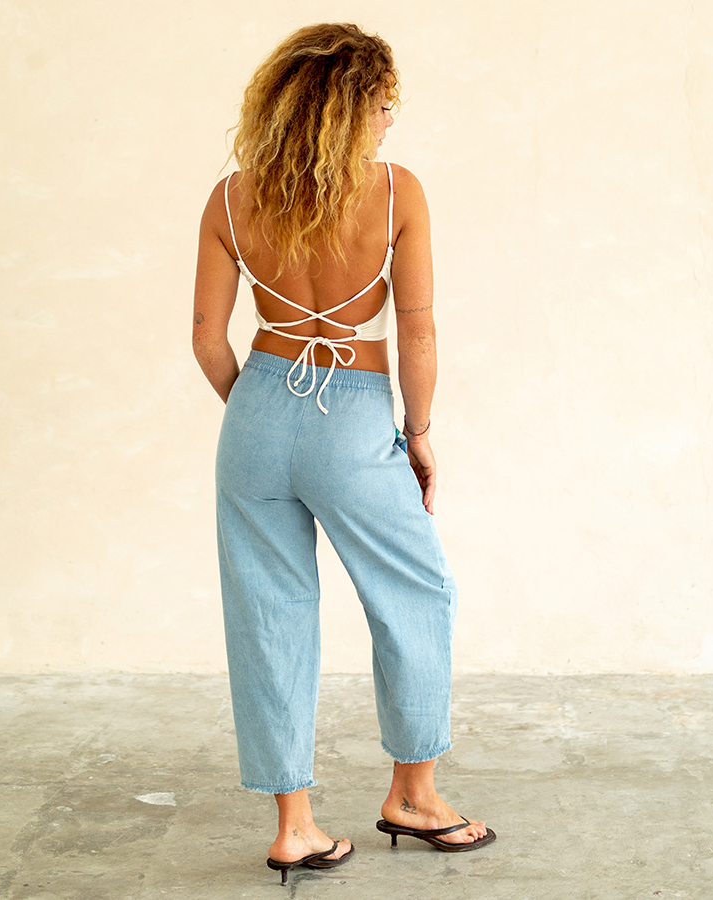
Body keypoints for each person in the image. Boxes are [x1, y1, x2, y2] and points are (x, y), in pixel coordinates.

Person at [192, 22, 495, 885]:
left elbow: (208, 338)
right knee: (415, 593)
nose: (391, 120)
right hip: (355, 411)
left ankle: (295, 828)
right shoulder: (396, 194)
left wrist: (260, 416)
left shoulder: (230, 199)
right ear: (346, 109)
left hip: (257, 408)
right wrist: (418, 434)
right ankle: (415, 797)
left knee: (269, 615)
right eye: (384, 104)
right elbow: (417, 331)